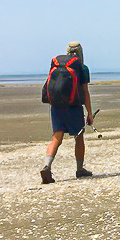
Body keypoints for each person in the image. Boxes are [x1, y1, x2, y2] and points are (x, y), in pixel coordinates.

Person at [40, 41, 94, 184]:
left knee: (56, 139)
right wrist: (89, 113)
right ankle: (79, 169)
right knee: (79, 137)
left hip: (56, 107)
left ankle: (47, 166)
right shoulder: (82, 68)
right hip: (74, 107)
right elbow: (85, 92)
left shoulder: (57, 64)